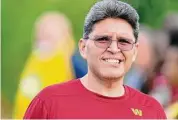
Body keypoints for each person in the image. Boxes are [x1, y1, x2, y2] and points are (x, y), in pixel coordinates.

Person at [24, 0, 166, 119]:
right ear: (83, 47)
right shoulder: (48, 103)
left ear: (135, 51)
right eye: (103, 39)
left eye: (124, 41)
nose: (114, 48)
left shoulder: (151, 110)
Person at [13, 11, 75, 118]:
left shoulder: (71, 62)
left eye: (49, 36)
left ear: (65, 36)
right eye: (40, 34)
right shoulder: (35, 60)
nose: (42, 38)